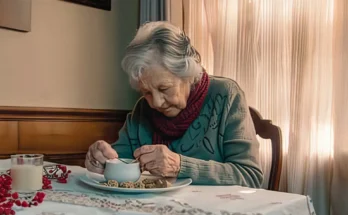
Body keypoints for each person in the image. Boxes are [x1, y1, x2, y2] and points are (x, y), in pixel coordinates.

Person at [85, 21, 263, 188]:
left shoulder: (226, 95)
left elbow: (250, 175)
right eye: (146, 92)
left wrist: (180, 165)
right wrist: (101, 160)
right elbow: (118, 160)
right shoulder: (142, 109)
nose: (155, 102)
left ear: (188, 74)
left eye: (164, 88)